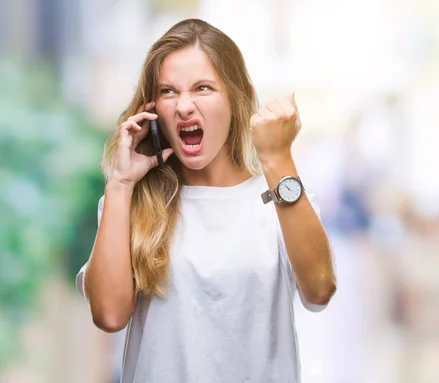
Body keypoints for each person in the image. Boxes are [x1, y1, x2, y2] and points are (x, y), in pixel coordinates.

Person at [75, 18, 337, 383]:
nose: (184, 106)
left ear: (239, 96)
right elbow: (109, 315)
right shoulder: (131, 202)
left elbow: (320, 289)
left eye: (202, 88)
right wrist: (119, 183)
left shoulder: (281, 200)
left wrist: (279, 159)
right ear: (152, 110)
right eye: (168, 91)